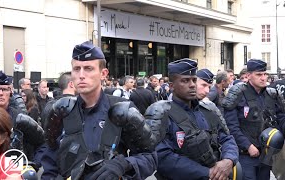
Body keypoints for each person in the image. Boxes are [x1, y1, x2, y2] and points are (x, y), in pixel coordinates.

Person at [42, 41, 165, 179]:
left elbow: (149, 156)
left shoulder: (122, 109)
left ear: (103, 73)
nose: (81, 75)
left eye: (88, 68)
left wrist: (123, 165)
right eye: (76, 69)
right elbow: (49, 158)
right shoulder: (62, 111)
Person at [156, 59, 239, 180]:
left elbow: (227, 138)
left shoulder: (208, 111)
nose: (192, 85)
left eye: (194, 80)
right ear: (172, 86)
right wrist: (208, 173)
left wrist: (229, 160)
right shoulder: (162, 115)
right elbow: (163, 158)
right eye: (185, 80)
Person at [222, 59, 285, 180]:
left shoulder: (272, 94)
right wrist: (247, 146)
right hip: (245, 155)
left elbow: (283, 116)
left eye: (265, 74)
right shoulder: (238, 94)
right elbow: (230, 127)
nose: (263, 78)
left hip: (266, 154)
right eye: (259, 74)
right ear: (248, 76)